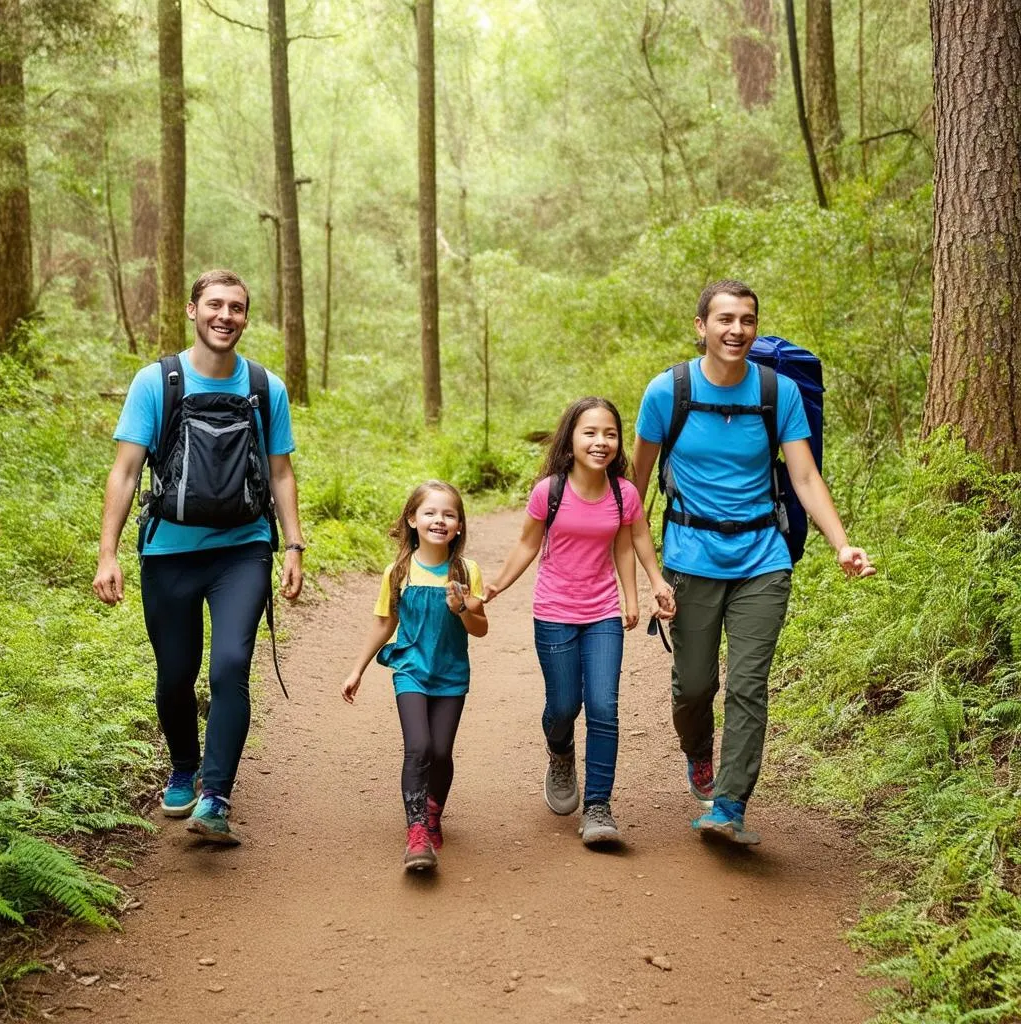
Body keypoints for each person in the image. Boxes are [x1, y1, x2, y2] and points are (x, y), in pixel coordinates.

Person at [631, 279, 874, 845]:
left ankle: (730, 805)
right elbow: (633, 490)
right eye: (724, 319)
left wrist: (842, 542)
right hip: (690, 558)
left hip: (762, 558)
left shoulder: (778, 392)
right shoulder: (667, 393)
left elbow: (805, 477)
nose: (736, 329)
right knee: (694, 686)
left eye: (746, 319)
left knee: (747, 684)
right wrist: (640, 574)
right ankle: (698, 752)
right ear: (701, 327)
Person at [93, 269, 305, 845]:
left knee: (232, 665)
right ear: (192, 310)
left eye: (236, 308)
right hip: (169, 551)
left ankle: (215, 796)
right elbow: (126, 470)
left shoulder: (265, 387)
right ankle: (184, 766)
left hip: (244, 550)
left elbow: (281, 472)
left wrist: (293, 544)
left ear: (245, 317)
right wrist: (107, 551)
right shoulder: (156, 382)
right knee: (175, 675)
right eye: (215, 305)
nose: (225, 316)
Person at [484, 397, 675, 847]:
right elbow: (527, 545)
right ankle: (561, 751)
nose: (600, 441)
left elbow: (631, 542)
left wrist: (643, 589)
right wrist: (494, 586)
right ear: (571, 439)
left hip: (603, 613)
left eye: (609, 433)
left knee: (604, 709)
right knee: (565, 706)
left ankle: (598, 807)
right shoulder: (549, 491)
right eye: (590, 432)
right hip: (553, 613)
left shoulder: (623, 493)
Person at [341, 481, 488, 872]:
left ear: (459, 525)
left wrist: (462, 609)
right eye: (430, 513)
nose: (439, 520)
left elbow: (480, 628)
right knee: (419, 746)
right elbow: (384, 623)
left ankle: (434, 810)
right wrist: (357, 669)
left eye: (449, 514)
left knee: (441, 752)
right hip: (410, 670)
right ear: (412, 519)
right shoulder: (399, 571)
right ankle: (417, 829)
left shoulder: (466, 571)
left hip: (451, 674)